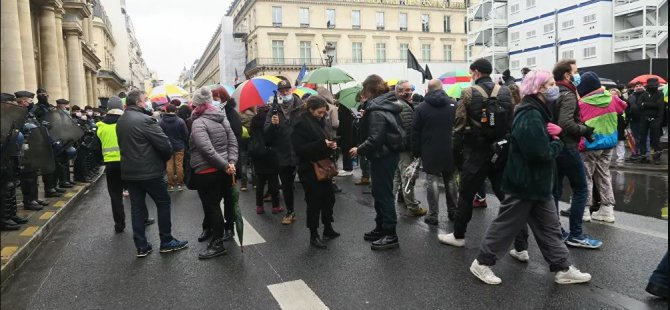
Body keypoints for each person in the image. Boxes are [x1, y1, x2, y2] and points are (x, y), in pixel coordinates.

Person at [470, 70, 592, 285]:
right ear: (540, 88)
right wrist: (558, 141)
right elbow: (538, 153)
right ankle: (482, 263)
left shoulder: (539, 110)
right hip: (524, 183)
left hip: (536, 183)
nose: (556, 87)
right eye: (551, 83)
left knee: (550, 227)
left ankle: (563, 267)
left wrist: (556, 134)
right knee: (506, 225)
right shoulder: (530, 113)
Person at [440, 58, 514, 247]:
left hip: (476, 152)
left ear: (476, 72)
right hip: (501, 151)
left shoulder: (468, 93)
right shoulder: (506, 92)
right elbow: (511, 123)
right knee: (506, 197)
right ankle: (520, 245)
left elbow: (458, 127)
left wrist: (457, 157)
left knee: (466, 195)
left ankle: (458, 235)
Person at [116, 90, 188, 257]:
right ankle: (166, 240)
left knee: (137, 208)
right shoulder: (146, 120)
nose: (146, 102)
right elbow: (165, 146)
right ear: (139, 103)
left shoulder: (122, 120)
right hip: (149, 172)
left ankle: (141, 246)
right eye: (145, 100)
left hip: (129, 172)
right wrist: (162, 160)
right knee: (163, 202)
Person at [349, 74, 405, 251]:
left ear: (370, 89)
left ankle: (390, 233)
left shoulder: (377, 109)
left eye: (365, 90)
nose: (363, 94)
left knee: (383, 194)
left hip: (383, 155)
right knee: (379, 192)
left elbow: (376, 138)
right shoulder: (383, 105)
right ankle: (381, 227)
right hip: (386, 154)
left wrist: (359, 149)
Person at [551, 59, 602, 248]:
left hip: (555, 146)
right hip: (568, 147)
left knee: (555, 191)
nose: (578, 74)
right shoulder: (568, 94)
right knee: (581, 188)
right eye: (576, 71)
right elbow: (565, 123)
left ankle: (556, 231)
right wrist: (584, 130)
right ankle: (576, 234)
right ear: (567, 75)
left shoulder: (554, 91)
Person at [189, 87, 238, 259]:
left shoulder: (198, 122)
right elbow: (233, 141)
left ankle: (217, 243)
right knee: (223, 203)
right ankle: (222, 234)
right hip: (224, 170)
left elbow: (206, 150)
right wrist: (230, 163)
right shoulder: (221, 118)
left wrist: (227, 164)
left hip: (207, 171)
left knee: (213, 207)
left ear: (195, 105)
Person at [96, 96, 154, 233]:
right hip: (128, 162)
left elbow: (95, 148)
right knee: (137, 193)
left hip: (110, 165)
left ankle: (119, 224)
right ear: (121, 107)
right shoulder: (126, 122)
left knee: (115, 196)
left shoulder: (100, 126)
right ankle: (143, 219)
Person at [576, 72, 627, 223]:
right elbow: (623, 106)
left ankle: (584, 210)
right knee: (604, 175)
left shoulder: (582, 104)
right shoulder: (611, 98)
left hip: (590, 145)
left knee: (586, 177)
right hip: (609, 143)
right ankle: (607, 210)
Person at [292, 96, 340, 249]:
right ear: (310, 109)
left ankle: (327, 227)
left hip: (324, 166)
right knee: (314, 202)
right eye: (319, 112)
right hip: (309, 168)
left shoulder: (321, 121)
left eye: (324, 113)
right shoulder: (300, 124)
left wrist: (331, 144)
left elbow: (325, 138)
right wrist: (322, 144)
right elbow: (299, 149)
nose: (322, 115)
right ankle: (314, 234)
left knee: (329, 198)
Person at [412, 79, 457, 225]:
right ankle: (453, 212)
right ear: (442, 88)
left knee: (432, 181)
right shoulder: (454, 105)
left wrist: (416, 152)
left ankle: (433, 215)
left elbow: (415, 132)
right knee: (450, 180)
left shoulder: (420, 108)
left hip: (429, 149)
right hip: (450, 148)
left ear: (428, 90)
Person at [264, 80, 304, 225]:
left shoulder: (301, 106)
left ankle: (313, 213)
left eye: (287, 89)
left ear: (291, 90)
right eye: (282, 90)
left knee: (308, 183)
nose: (285, 92)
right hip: (283, 153)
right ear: (278, 92)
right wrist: (273, 126)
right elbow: (266, 134)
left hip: (301, 151)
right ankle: (290, 211)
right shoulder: (273, 109)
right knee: (287, 185)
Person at [391, 80, 424, 216]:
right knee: (408, 178)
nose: (410, 92)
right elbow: (409, 130)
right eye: (406, 90)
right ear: (399, 92)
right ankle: (413, 207)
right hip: (405, 148)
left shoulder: (398, 104)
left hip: (397, 147)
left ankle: (390, 203)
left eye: (411, 89)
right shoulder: (403, 106)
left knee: (397, 178)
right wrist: (414, 149)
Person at [249, 106, 280, 214]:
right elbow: (272, 136)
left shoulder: (254, 119)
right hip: (270, 154)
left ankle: (259, 206)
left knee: (260, 183)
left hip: (258, 154)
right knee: (273, 182)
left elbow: (251, 134)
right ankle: (275, 206)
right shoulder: (269, 120)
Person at [159, 104, 189, 191]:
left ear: (166, 111)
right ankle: (180, 184)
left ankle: (170, 185)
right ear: (175, 111)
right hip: (179, 146)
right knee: (179, 165)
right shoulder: (180, 121)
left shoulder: (161, 122)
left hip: (167, 146)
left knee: (169, 165)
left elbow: (159, 135)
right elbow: (186, 134)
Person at [638, 78, 664, 164]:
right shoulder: (643, 94)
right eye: (651, 86)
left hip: (655, 119)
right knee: (642, 138)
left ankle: (656, 156)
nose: (653, 87)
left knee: (655, 138)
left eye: (654, 86)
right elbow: (639, 105)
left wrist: (645, 104)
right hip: (644, 118)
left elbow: (659, 105)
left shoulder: (660, 94)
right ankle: (643, 156)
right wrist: (653, 105)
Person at [626, 82, 646, 161]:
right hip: (634, 120)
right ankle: (635, 153)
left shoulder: (646, 95)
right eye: (637, 86)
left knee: (643, 138)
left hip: (643, 120)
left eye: (640, 86)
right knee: (634, 138)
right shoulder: (631, 96)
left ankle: (643, 154)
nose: (638, 87)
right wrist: (629, 115)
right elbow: (627, 107)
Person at [610, 88, 628, 165]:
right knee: (610, 140)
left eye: (615, 94)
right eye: (611, 94)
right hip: (610, 120)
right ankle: (609, 157)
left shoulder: (623, 102)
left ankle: (621, 157)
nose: (613, 96)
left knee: (620, 140)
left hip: (619, 121)